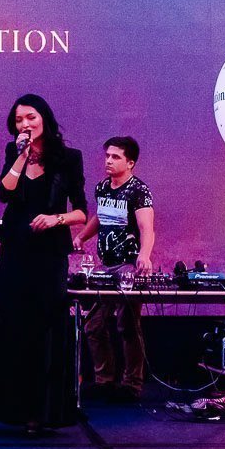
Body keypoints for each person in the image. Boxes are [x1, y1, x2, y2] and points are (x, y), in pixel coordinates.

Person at [0, 94, 87, 435]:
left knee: (43, 329)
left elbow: (82, 211)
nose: (25, 124)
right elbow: (4, 193)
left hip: (50, 253)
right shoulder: (14, 152)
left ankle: (37, 412)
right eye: (18, 120)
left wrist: (56, 219)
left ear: (44, 119)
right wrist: (21, 156)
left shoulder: (69, 158)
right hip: (16, 247)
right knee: (4, 323)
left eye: (31, 117)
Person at [72, 136, 154, 401]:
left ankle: (132, 384)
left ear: (130, 163)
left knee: (128, 324)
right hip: (105, 266)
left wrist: (144, 255)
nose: (109, 160)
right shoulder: (103, 187)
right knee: (93, 325)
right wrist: (82, 236)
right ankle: (104, 380)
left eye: (116, 157)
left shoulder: (138, 190)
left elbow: (146, 227)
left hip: (128, 266)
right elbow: (100, 216)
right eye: (107, 155)